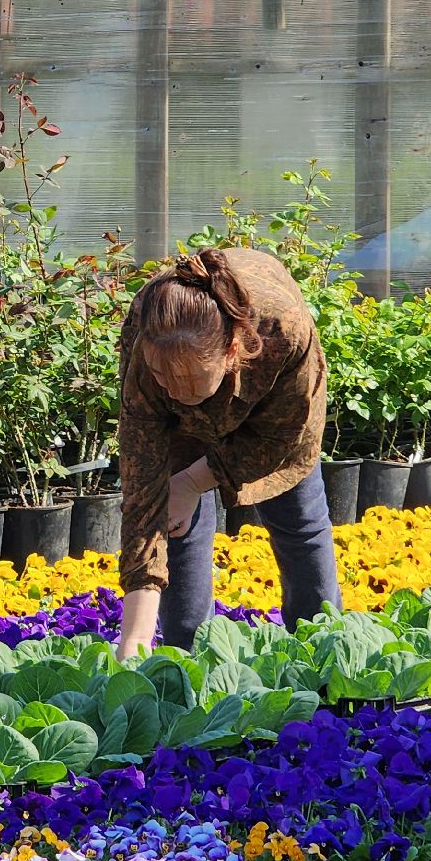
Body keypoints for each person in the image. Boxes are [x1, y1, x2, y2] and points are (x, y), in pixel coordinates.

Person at [113, 246, 340, 660]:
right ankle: (187, 654)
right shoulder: (150, 335)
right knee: (176, 526)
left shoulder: (284, 330)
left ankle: (321, 650)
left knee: (299, 522)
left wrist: (193, 481)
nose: (175, 391)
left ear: (233, 350)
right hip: (185, 424)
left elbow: (281, 437)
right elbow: (142, 487)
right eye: (162, 375)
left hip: (273, 422)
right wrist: (135, 639)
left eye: (189, 379)